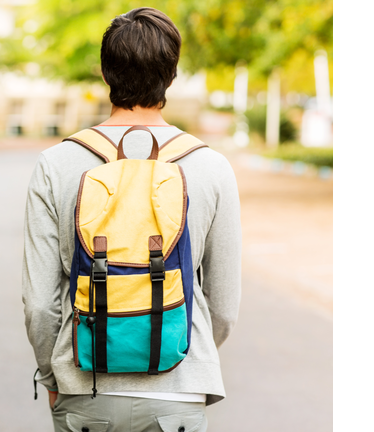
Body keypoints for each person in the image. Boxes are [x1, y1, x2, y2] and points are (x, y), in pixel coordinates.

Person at [21, 7, 241, 431]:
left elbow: (39, 304)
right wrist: (181, 351)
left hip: (85, 392)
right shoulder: (211, 167)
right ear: (172, 76)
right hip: (178, 394)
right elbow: (224, 305)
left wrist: (53, 375)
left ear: (105, 74)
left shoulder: (56, 163)